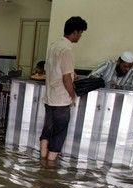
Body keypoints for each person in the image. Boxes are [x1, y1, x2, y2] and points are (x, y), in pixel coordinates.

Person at [40, 16, 88, 161]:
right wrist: (72, 95)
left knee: (47, 128)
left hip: (49, 97)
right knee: (59, 133)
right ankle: (49, 167)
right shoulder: (67, 49)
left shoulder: (54, 46)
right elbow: (66, 78)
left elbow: (53, 69)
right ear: (74, 32)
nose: (80, 36)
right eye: (80, 33)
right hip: (61, 100)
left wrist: (73, 74)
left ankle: (42, 159)